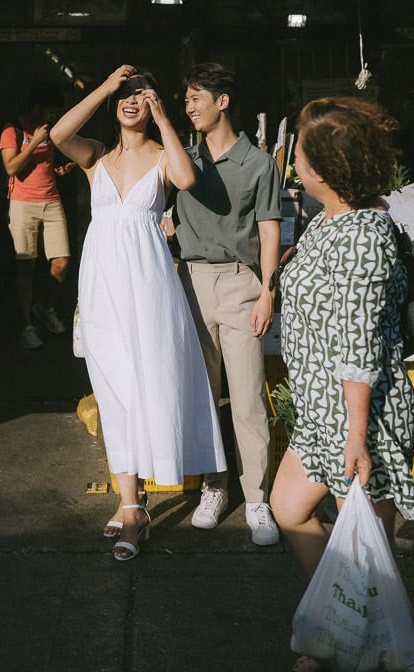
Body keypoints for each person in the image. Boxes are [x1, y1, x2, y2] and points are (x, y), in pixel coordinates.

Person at [268, 97, 414, 672]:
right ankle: (343, 625)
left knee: (366, 552)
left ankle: (361, 645)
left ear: (325, 169)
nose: (294, 167)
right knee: (288, 507)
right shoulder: (327, 219)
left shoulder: (365, 233)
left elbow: (359, 347)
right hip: (318, 414)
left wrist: (358, 436)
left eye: (301, 157)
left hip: (361, 417)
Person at [50, 64, 226, 563]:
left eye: (139, 95)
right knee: (113, 392)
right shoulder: (96, 157)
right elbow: (60, 133)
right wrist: (105, 84)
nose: (131, 102)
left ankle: (136, 500)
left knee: (152, 385)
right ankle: (131, 503)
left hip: (150, 288)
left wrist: (164, 117)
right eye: (124, 96)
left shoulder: (163, 157)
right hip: (102, 286)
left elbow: (188, 177)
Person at [173, 62, 282, 546]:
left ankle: (257, 497)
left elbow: (268, 229)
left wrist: (268, 293)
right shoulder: (182, 160)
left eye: (197, 96)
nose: (189, 105)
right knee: (202, 397)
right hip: (191, 282)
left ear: (223, 101)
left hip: (241, 285)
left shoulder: (258, 163)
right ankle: (214, 487)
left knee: (247, 397)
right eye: (186, 97)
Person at [0, 97, 73, 350]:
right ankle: (26, 325)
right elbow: (11, 168)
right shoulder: (13, 131)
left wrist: (59, 170)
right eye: (50, 107)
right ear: (35, 106)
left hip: (52, 200)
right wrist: (34, 144)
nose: (53, 113)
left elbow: (44, 166)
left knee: (61, 261)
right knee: (26, 265)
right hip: (22, 203)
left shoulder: (51, 130)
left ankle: (45, 307)